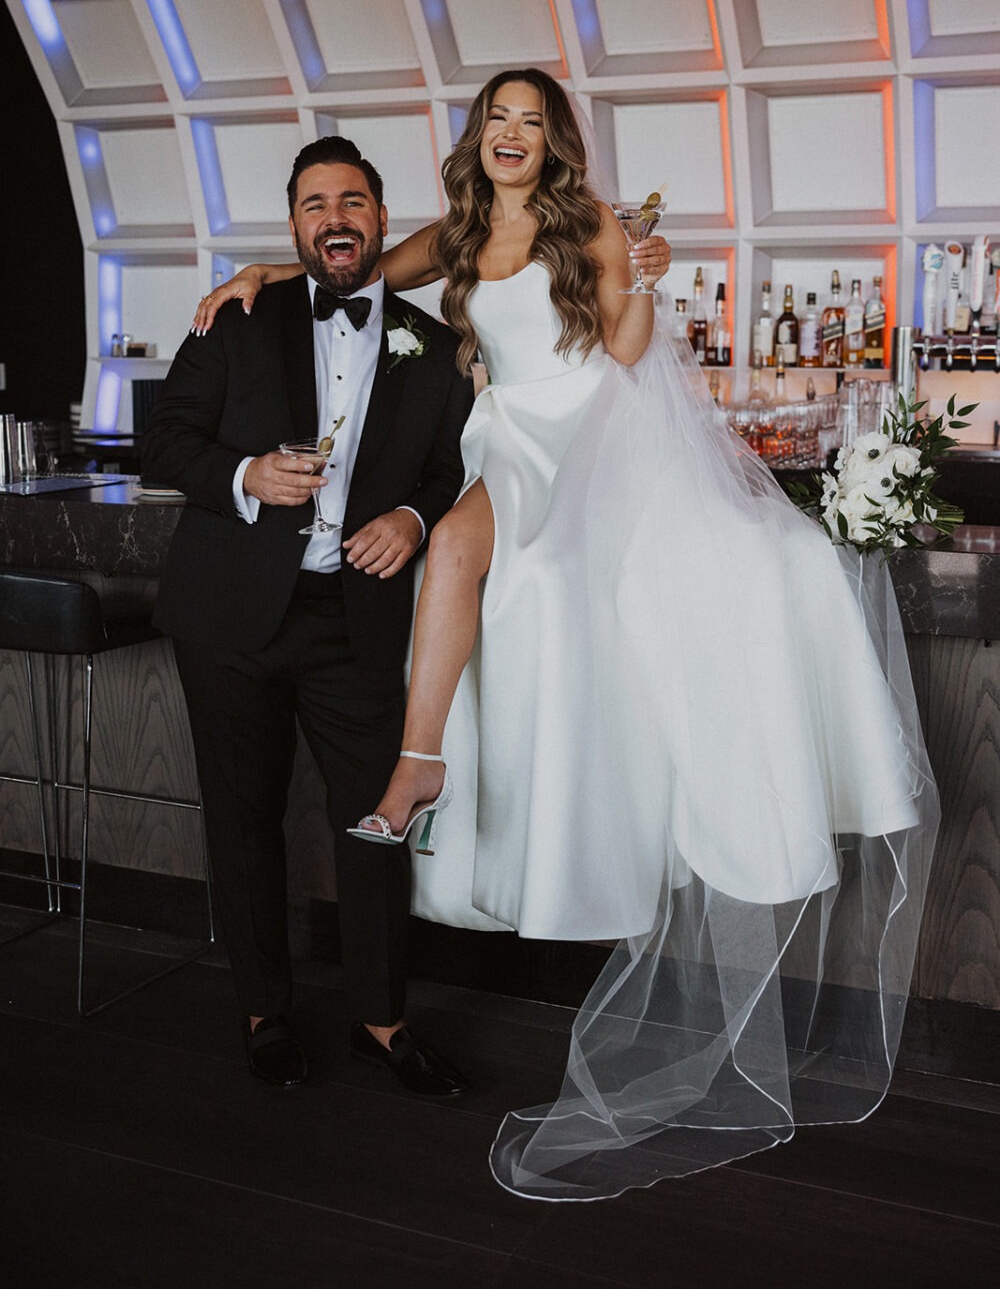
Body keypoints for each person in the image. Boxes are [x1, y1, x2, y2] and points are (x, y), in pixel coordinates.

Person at [194, 71, 938, 1203]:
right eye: (496, 119)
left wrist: (646, 278)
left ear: (554, 143)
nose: (509, 135)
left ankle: (411, 765)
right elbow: (340, 281)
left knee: (489, 554)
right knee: (453, 548)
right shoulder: (444, 233)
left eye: (529, 123)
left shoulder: (591, 222)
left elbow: (630, 352)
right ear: (477, 137)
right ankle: (422, 765)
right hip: (498, 435)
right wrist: (256, 270)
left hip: (577, 426)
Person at [143, 135, 475, 1096]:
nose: (336, 218)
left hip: (355, 620)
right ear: (295, 225)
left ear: (381, 215)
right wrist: (245, 475)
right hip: (228, 615)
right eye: (316, 204)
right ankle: (263, 1013)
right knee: (242, 821)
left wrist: (415, 520)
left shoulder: (439, 344)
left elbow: (454, 469)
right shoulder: (240, 317)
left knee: (375, 825)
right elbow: (165, 443)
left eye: (354, 201)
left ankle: (383, 1020)